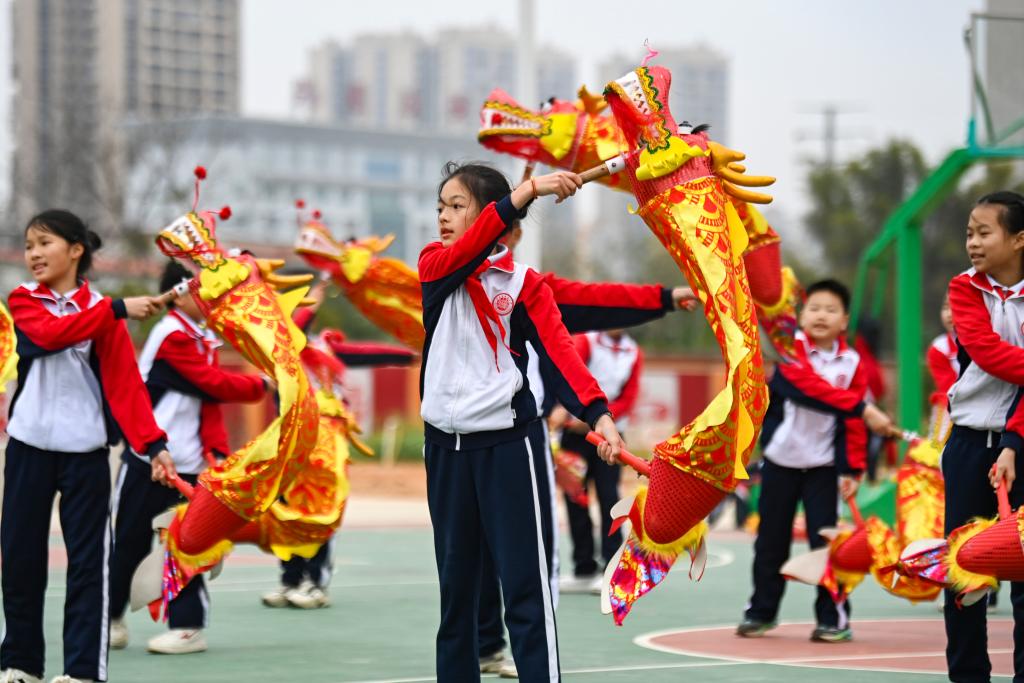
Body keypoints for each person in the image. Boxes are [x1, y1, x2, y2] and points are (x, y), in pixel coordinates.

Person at [420, 162, 623, 682]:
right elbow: (464, 253)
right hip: (444, 450)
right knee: (456, 600)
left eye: (456, 205)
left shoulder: (526, 285)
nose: (443, 215)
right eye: (441, 205)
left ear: (489, 213)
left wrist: (599, 415)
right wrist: (528, 189)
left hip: (510, 449)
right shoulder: (434, 266)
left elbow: (561, 359)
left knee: (526, 594)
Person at [1, 210, 175, 683]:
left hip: (86, 457)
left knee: (87, 570)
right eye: (29, 245)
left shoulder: (102, 311)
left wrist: (154, 445)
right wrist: (118, 308)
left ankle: (82, 673)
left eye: (44, 243)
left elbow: (125, 388)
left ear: (76, 250)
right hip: (27, 450)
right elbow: (49, 336)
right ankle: (21, 664)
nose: (33, 254)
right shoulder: (24, 301)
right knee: (19, 561)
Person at [108, 260, 269, 654]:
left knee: (190, 544)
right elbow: (212, 385)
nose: (214, 297)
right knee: (128, 540)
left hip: (189, 466)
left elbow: (205, 406)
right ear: (179, 293)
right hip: (151, 460)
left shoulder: (200, 337)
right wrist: (262, 383)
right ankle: (109, 619)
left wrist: (216, 456)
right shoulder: (171, 336)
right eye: (205, 289)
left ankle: (187, 627)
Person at [737, 278, 895, 643]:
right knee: (770, 543)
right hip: (780, 463)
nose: (821, 315)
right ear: (800, 316)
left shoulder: (852, 363)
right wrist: (864, 408)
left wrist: (852, 468)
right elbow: (805, 389)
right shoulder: (789, 352)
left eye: (831, 309)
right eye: (814, 308)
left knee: (826, 545)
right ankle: (760, 612)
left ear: (844, 321)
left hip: (823, 469)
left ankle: (833, 617)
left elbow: (854, 425)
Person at [945, 191, 1024, 682]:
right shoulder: (964, 288)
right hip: (970, 444)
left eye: (983, 232)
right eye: (969, 233)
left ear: (1019, 239)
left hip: (1022, 443)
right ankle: (968, 676)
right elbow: (989, 354)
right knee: (965, 568)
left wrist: (1015, 442)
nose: (972, 242)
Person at [550, 328, 642, 594]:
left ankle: (611, 570)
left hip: (610, 434)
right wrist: (573, 416)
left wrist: (604, 418)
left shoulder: (633, 352)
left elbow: (629, 397)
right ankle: (583, 567)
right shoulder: (587, 341)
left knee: (609, 498)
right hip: (574, 432)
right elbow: (569, 377)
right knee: (574, 496)